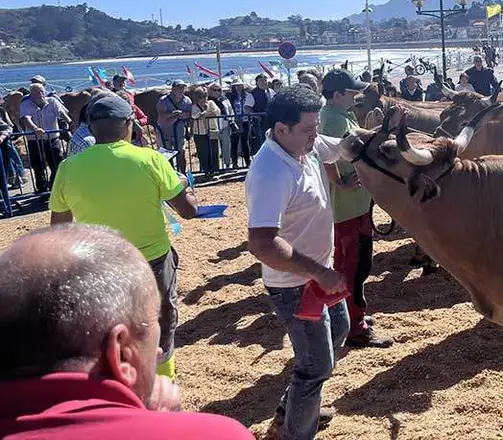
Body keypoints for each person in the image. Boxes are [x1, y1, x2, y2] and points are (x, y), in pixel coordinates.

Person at [0, 224, 253, 440]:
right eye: (152, 328)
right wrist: (162, 424)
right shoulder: (217, 435)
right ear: (119, 353)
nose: (158, 351)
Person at [49, 93, 198, 380]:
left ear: (91, 128)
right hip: (152, 258)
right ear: (129, 124)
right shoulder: (151, 159)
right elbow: (189, 211)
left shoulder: (68, 168)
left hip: (101, 263)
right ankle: (163, 379)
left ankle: (120, 379)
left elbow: (59, 229)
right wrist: (182, 185)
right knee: (161, 320)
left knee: (112, 324)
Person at [246, 86, 354, 438]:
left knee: (339, 330)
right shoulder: (270, 172)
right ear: (281, 129)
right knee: (314, 367)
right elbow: (262, 244)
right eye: (308, 129)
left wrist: (377, 134)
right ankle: (295, 432)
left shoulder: (304, 145)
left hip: (318, 272)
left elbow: (339, 147)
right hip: (294, 283)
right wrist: (320, 273)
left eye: (315, 127)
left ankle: (290, 409)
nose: (314, 135)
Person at [319, 70, 393, 349]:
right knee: (353, 265)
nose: (357, 96)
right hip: (346, 208)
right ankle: (354, 327)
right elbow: (330, 155)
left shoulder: (340, 116)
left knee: (358, 264)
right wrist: (339, 181)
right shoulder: (333, 119)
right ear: (337, 95)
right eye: (351, 93)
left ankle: (352, 315)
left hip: (354, 205)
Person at [19, 82, 72, 193]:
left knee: (57, 163)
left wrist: (70, 122)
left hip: (53, 138)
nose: (41, 95)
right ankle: (42, 190)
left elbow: (62, 114)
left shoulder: (52, 101)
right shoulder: (26, 104)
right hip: (35, 140)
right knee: (38, 166)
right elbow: (26, 118)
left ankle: (54, 188)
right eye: (37, 93)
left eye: (42, 92)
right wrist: (35, 129)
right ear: (31, 95)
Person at [156, 81, 192, 173]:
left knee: (181, 152)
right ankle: (170, 173)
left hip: (180, 132)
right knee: (166, 154)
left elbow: (188, 114)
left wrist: (180, 115)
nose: (181, 90)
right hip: (165, 132)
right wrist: (174, 114)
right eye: (179, 88)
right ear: (173, 89)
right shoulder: (163, 100)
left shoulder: (187, 100)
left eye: (183, 88)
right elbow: (161, 115)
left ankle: (183, 174)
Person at [190, 86, 221, 176]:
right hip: (200, 133)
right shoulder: (194, 107)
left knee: (214, 151)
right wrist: (207, 112)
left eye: (205, 96)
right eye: (201, 97)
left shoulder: (211, 103)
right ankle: (206, 171)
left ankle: (215, 171)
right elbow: (196, 116)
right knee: (203, 152)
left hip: (213, 130)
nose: (203, 99)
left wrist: (205, 113)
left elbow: (217, 112)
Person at [245, 74, 274, 156]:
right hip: (259, 122)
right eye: (261, 80)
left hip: (271, 121)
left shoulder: (271, 91)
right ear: (257, 83)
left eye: (265, 79)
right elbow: (247, 108)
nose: (264, 82)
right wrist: (256, 115)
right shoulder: (252, 94)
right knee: (261, 142)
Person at [207, 83, 235, 170]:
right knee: (215, 148)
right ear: (210, 91)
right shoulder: (207, 101)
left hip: (225, 126)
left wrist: (232, 121)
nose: (217, 92)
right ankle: (216, 167)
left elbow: (231, 111)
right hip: (213, 127)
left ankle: (227, 165)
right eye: (214, 90)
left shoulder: (225, 99)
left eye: (219, 90)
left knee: (226, 146)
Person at [226, 80, 252, 168]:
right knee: (234, 142)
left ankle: (248, 162)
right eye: (236, 86)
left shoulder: (247, 95)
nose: (238, 87)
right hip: (235, 121)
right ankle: (234, 162)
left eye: (240, 85)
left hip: (245, 121)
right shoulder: (230, 96)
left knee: (245, 141)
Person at [0, 105, 25, 189]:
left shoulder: (1, 110)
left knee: (12, 157)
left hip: (4, 139)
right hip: (5, 137)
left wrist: (4, 135)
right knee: (11, 157)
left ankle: (19, 177)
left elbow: (8, 125)